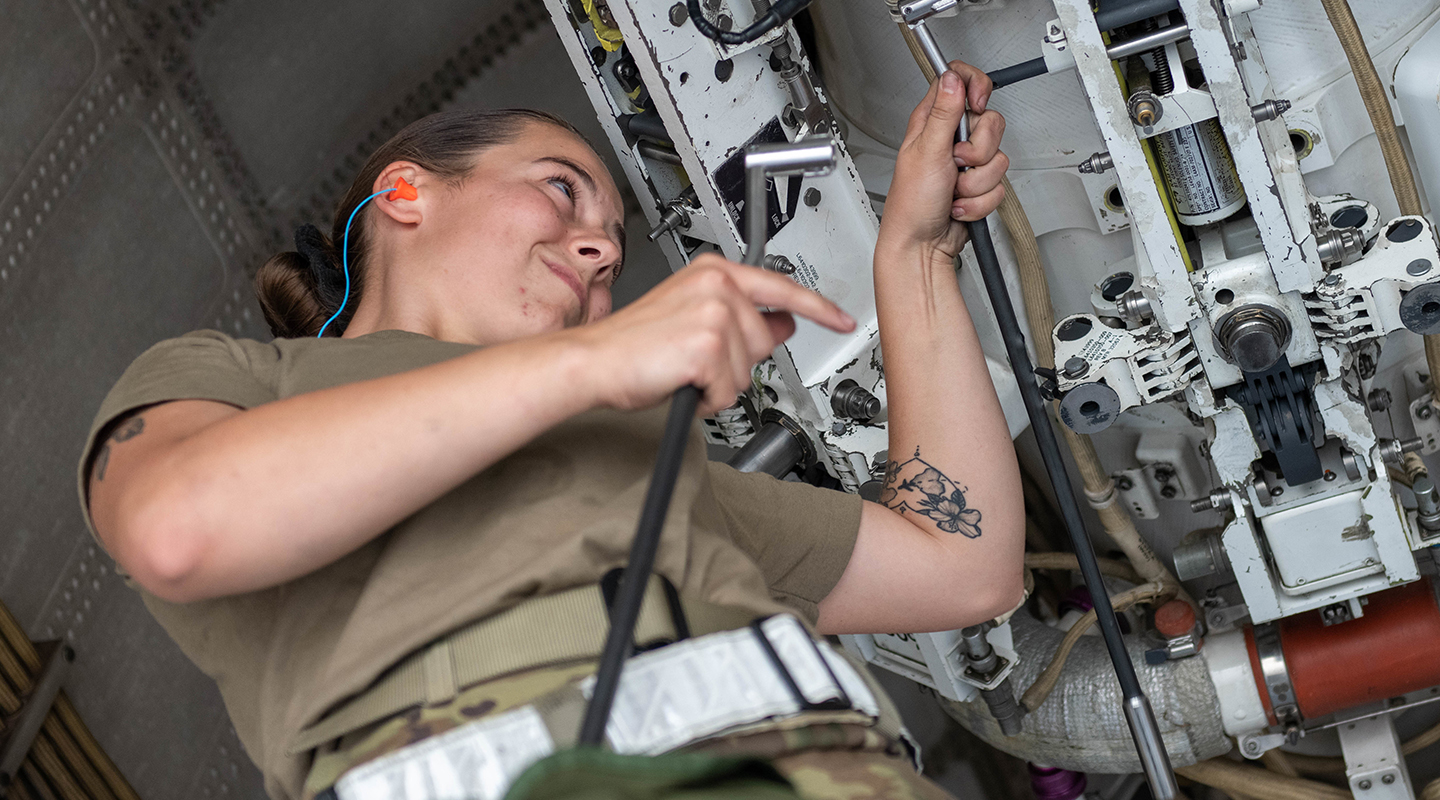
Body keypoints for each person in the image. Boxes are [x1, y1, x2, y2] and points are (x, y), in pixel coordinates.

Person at [78, 61, 1020, 799]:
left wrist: (917, 255)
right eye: (562, 189)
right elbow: (178, 527)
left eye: (612, 252)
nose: (604, 251)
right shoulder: (250, 385)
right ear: (404, 194)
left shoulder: (637, 459)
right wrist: (593, 362)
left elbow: (960, 567)